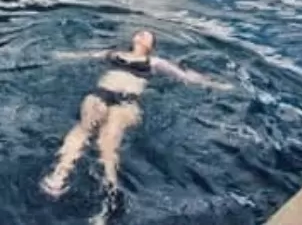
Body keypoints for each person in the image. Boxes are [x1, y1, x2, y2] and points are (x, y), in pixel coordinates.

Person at [40, 30, 232, 220]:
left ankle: (109, 193)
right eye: (139, 33)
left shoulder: (155, 62)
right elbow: (83, 55)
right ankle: (59, 175)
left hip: (126, 104)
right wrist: (57, 55)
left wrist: (218, 85)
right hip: (100, 95)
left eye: (147, 35)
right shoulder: (113, 54)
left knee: (107, 144)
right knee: (84, 128)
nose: (141, 35)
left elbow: (185, 76)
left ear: (152, 46)